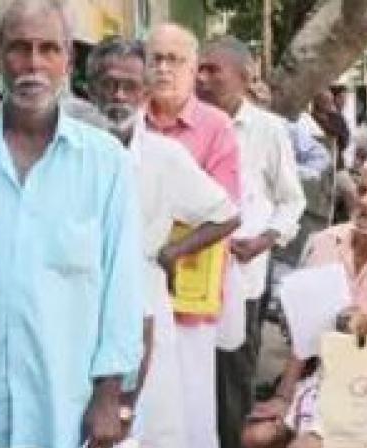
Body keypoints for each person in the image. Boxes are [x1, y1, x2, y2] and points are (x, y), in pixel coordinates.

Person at [0, 3, 146, 448]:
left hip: (66, 403)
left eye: (48, 49)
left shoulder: (106, 161)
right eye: (19, 48)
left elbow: (123, 287)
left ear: (68, 60)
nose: (33, 64)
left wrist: (111, 395)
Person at [87, 35, 241, 448]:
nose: (119, 96)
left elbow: (226, 214)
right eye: (109, 84)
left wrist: (173, 252)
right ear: (91, 88)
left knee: (150, 424)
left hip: (146, 304)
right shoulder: (69, 153)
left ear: (145, 93)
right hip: (82, 305)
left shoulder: (164, 156)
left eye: (130, 86)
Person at [241, 149, 367, 448]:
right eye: (362, 190)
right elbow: (305, 335)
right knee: (253, 438)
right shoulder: (325, 242)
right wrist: (283, 394)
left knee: (307, 445)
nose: (366, 201)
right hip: (326, 378)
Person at [196, 35, 306, 448]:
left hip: (241, 280)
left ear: (244, 78)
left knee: (233, 381)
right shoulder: (183, 124)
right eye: (199, 69)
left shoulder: (268, 130)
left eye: (213, 70)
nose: (202, 79)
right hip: (187, 277)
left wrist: (264, 240)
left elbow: (291, 200)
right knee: (190, 381)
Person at [145, 23, 241, 448]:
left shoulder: (216, 126)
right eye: (156, 58)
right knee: (141, 409)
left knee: (190, 411)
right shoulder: (130, 119)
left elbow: (226, 209)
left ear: (193, 69)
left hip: (189, 291)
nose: (164, 68)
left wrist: (171, 251)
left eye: (175, 59)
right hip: (136, 290)